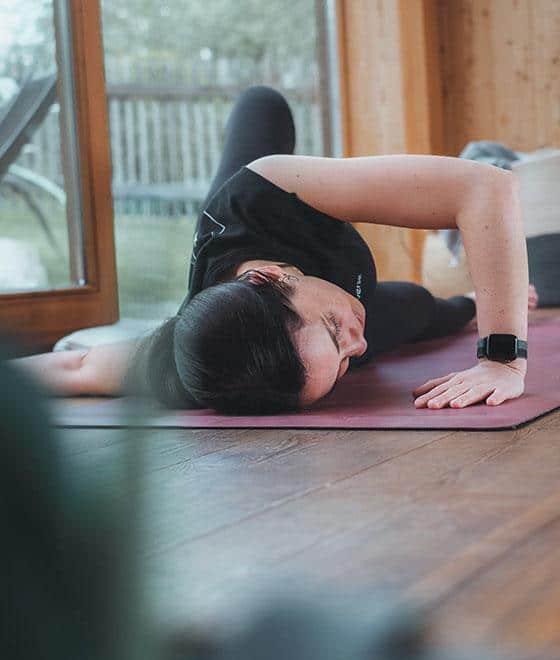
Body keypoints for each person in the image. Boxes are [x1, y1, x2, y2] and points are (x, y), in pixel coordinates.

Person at [10, 86, 538, 415]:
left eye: (335, 330)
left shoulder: (268, 192)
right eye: (338, 368)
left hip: (253, 213)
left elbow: (487, 187)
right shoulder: (218, 380)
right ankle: (464, 303)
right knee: (423, 309)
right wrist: (478, 307)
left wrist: (502, 360)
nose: (355, 342)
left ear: (269, 276)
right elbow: (73, 374)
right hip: (316, 295)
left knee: (263, 103)